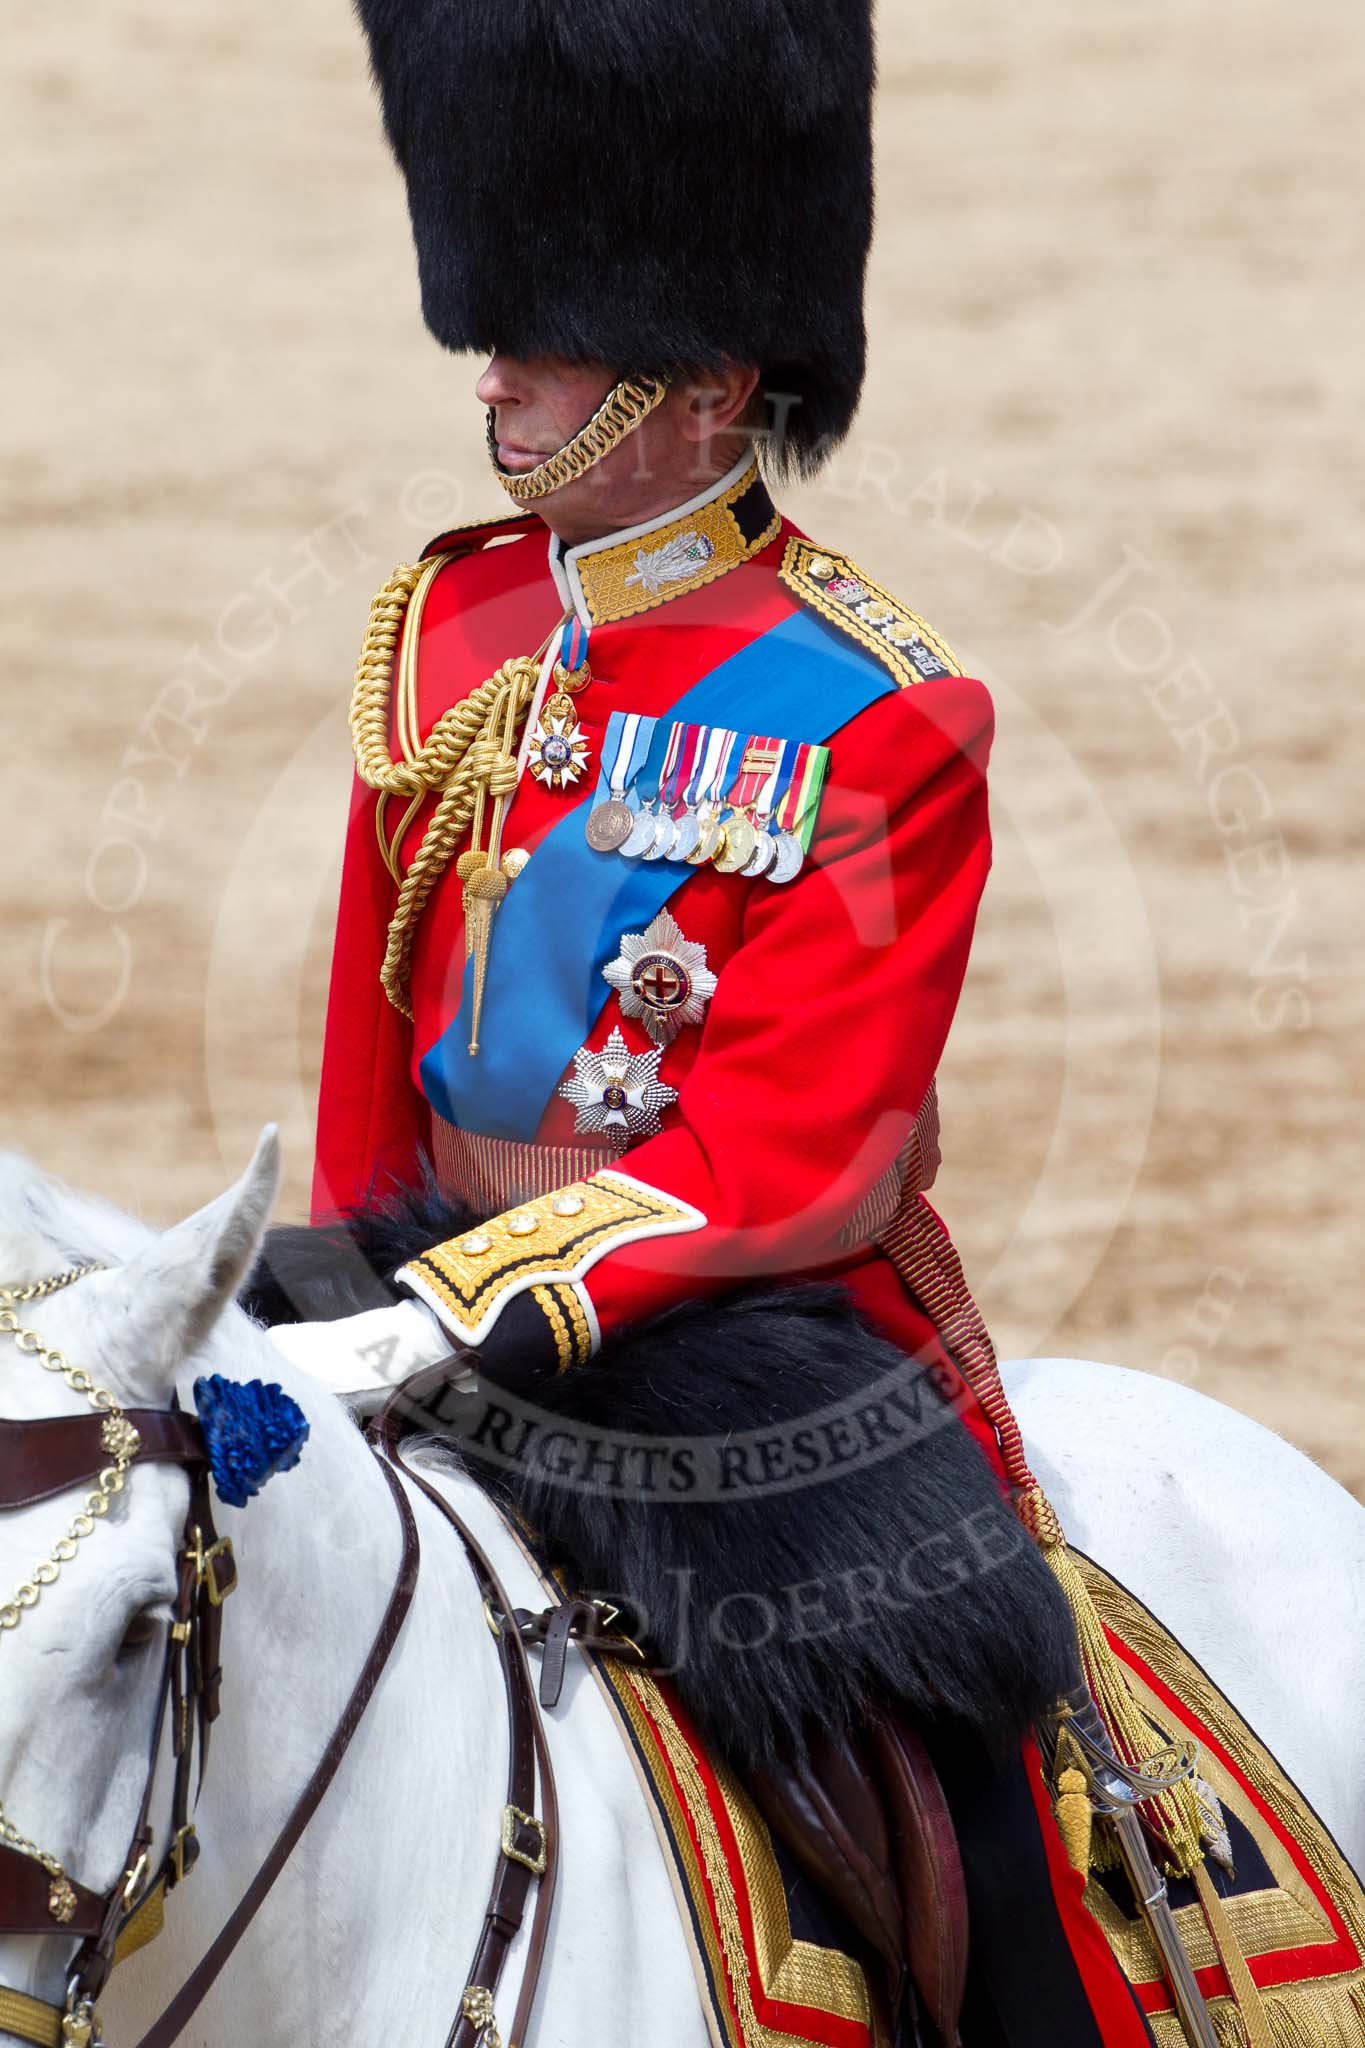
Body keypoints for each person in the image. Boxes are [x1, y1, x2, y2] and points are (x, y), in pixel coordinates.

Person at [312, 5, 1167, 2041]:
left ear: (703, 383)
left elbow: (797, 1159)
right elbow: (373, 1042)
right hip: (418, 1271)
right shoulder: (446, 629)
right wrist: (347, 1279)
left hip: (749, 1334)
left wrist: (460, 1308)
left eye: (547, 334)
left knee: (947, 1743)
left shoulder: (878, 710)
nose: (492, 364)